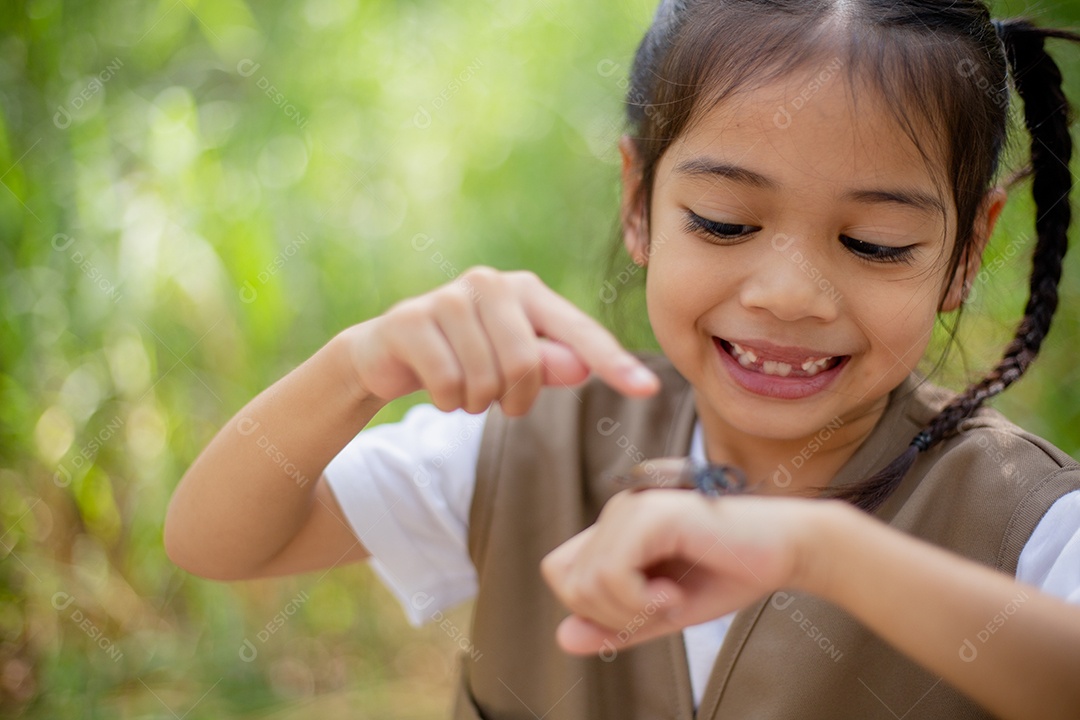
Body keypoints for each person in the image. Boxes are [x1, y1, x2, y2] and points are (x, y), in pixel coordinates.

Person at [165, 1, 1080, 718]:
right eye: (724, 222)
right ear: (639, 203)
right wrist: (356, 366)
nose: (790, 294)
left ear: (965, 254)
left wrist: (820, 549)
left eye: (876, 243)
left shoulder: (1029, 524)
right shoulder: (530, 439)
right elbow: (217, 541)